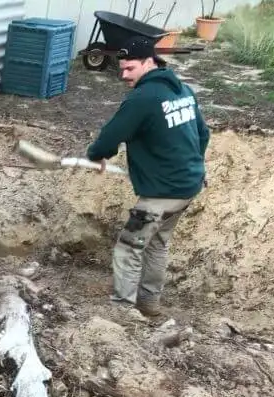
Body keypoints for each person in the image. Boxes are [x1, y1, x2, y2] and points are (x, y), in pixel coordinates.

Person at [86, 36, 210, 319]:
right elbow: (203, 134)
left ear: (148, 62)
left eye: (130, 68)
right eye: (122, 69)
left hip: (161, 193)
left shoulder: (143, 98)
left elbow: (110, 137)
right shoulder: (184, 91)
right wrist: (193, 164)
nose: (124, 74)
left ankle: (123, 311)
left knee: (129, 248)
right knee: (157, 243)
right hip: (188, 187)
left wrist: (97, 154)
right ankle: (149, 303)